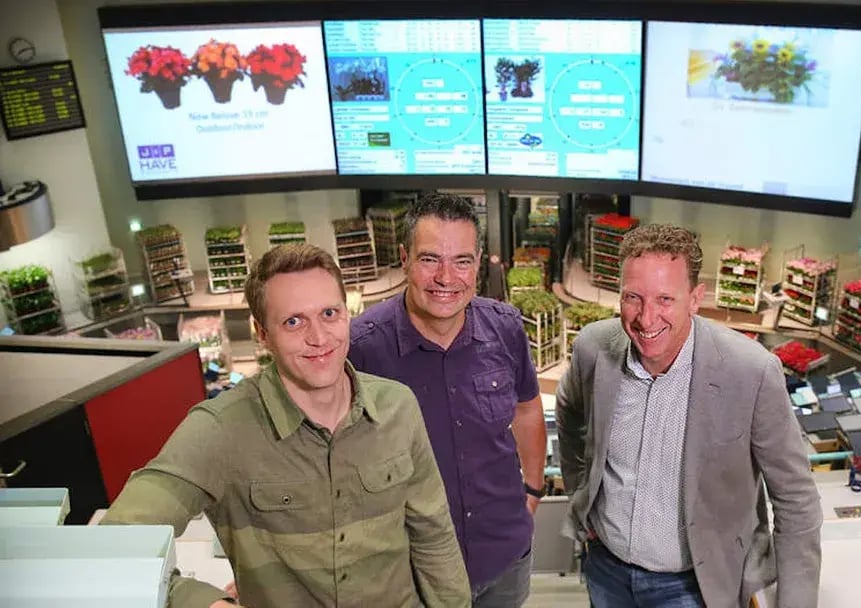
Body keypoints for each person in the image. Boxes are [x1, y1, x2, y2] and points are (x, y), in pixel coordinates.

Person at [103, 244, 469, 608]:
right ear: (262, 333)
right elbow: (114, 549)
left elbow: (434, 534)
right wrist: (204, 602)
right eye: (293, 321)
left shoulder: (398, 407)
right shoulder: (219, 430)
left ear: (347, 314)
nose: (319, 337)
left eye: (329, 313)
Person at [556, 224, 822, 608]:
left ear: (695, 299)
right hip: (606, 570)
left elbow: (796, 498)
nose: (647, 319)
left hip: (695, 587)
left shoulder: (751, 372)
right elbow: (569, 416)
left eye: (665, 299)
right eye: (633, 297)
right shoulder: (593, 349)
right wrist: (581, 496)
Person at [349, 193, 546, 608]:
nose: (446, 277)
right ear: (404, 258)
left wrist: (532, 490)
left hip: (503, 560)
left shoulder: (506, 328)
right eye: (429, 259)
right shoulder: (362, 347)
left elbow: (528, 410)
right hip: (411, 572)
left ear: (478, 263)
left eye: (461, 260)